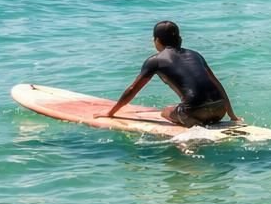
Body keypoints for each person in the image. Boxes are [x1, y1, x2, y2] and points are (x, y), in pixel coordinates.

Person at [103, 20, 241, 128]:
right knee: (184, 105)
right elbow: (217, 84)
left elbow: (133, 89)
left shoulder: (155, 60)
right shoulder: (195, 55)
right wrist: (231, 115)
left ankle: (190, 128)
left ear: (157, 40)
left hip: (195, 113)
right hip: (219, 111)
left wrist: (111, 113)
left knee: (166, 111)